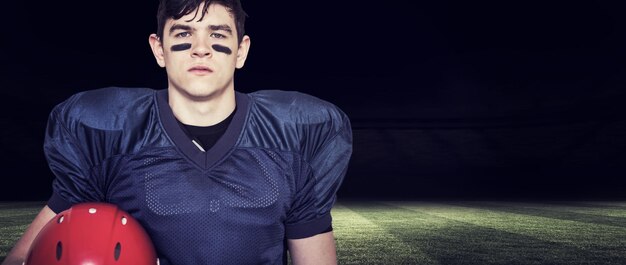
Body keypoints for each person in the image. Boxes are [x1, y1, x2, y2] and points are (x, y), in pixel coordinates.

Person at [2, 0, 352, 264]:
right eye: (184, 33)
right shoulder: (109, 133)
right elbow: (24, 258)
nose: (201, 48)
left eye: (217, 34)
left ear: (241, 51)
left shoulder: (294, 135)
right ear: (159, 49)